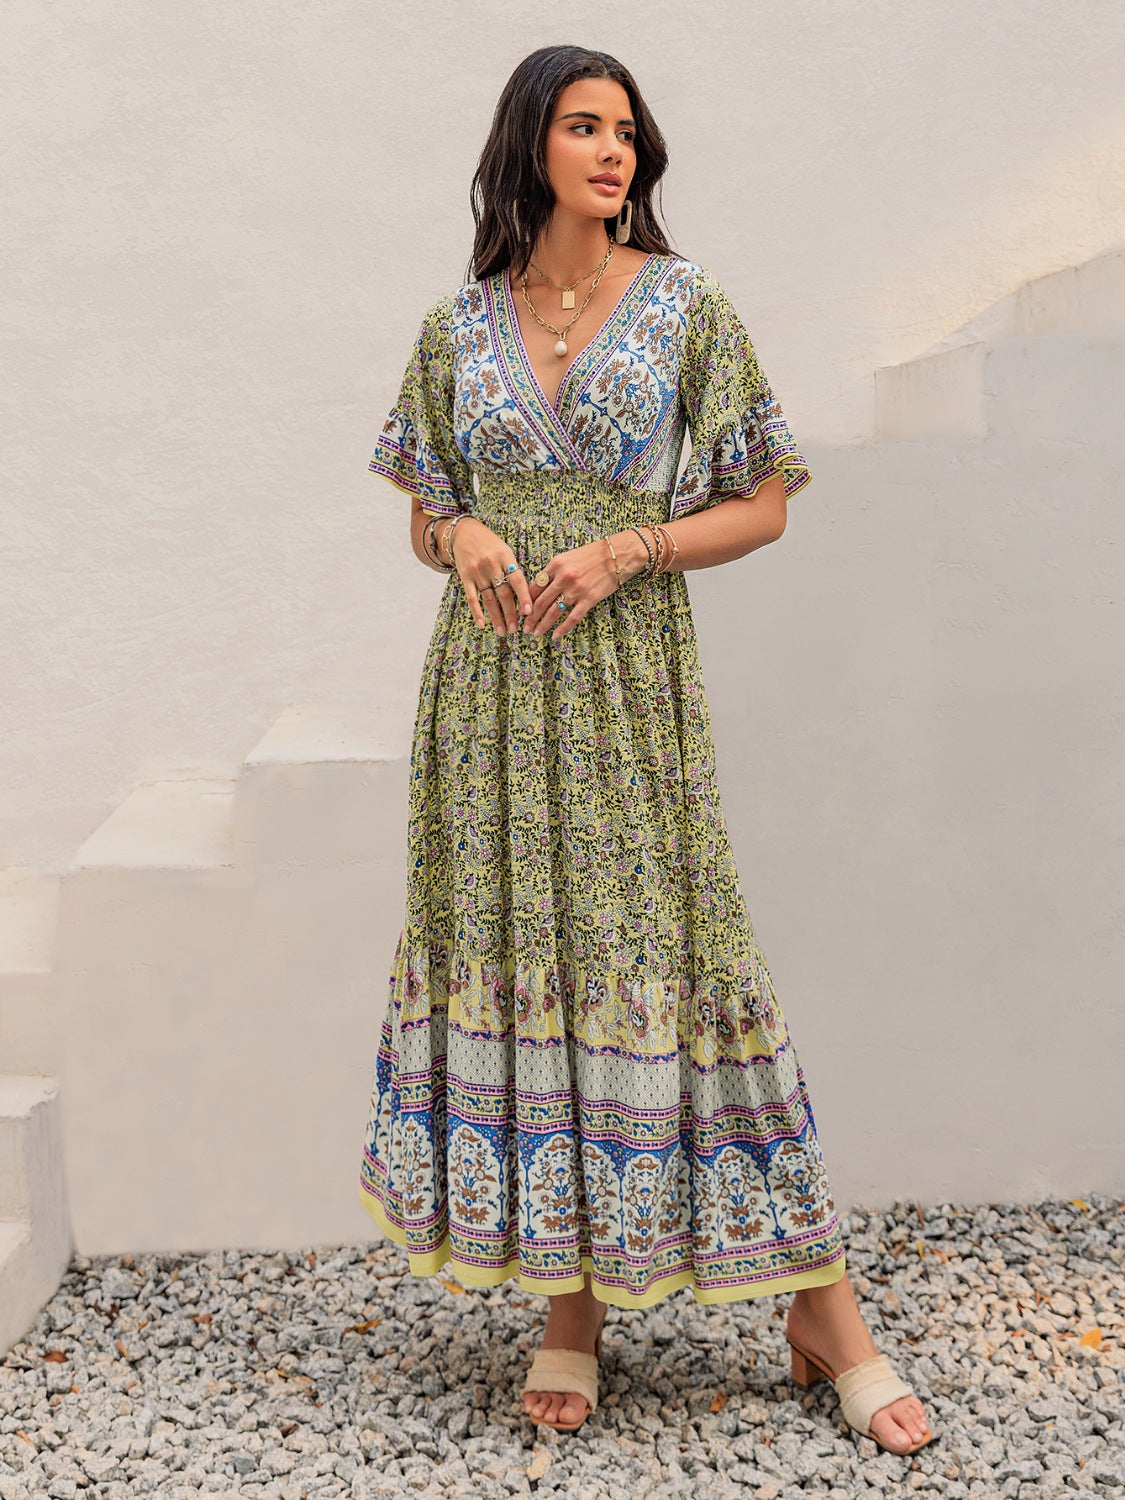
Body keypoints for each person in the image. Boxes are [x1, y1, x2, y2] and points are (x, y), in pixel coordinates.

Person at [359, 44, 935, 1457]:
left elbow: (766, 499)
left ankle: (826, 1310)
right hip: (490, 700)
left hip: (627, 691)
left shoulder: (686, 307)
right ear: (529, 145)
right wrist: (463, 532)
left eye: (626, 131)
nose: (613, 151)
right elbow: (423, 511)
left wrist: (630, 548)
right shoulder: (457, 326)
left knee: (682, 963)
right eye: (583, 126)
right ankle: (572, 1309)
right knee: (539, 969)